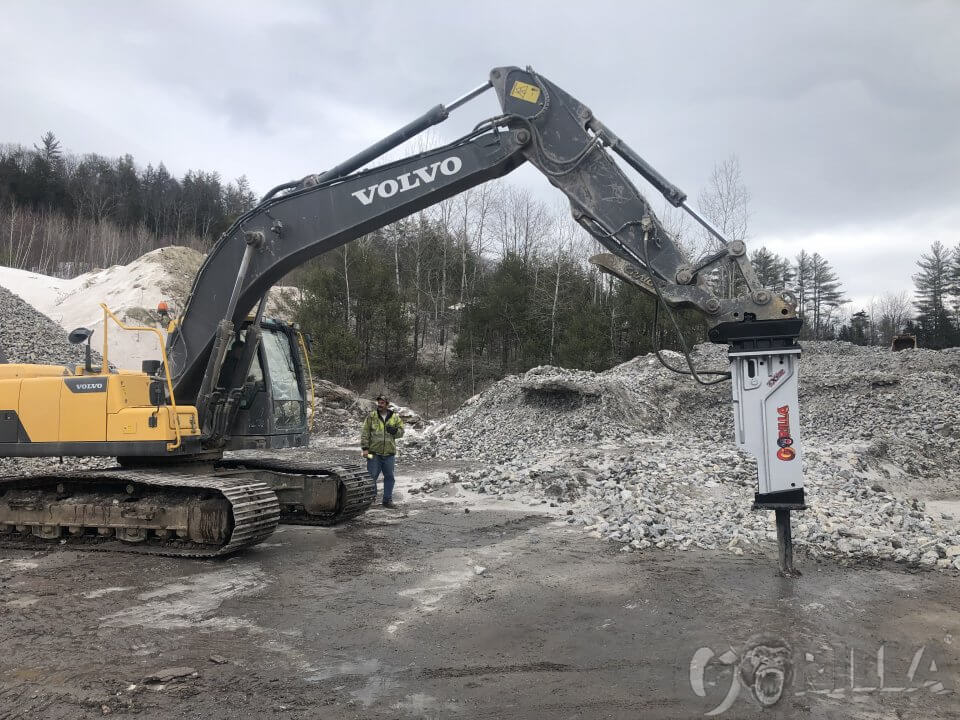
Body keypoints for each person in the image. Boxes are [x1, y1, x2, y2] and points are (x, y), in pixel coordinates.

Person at [360, 394, 405, 509]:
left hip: (389, 453)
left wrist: (395, 431)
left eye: (382, 403)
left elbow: (401, 432)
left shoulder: (395, 417)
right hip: (373, 453)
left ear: (387, 404)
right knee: (371, 477)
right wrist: (365, 448)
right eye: (379, 402)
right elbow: (365, 433)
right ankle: (371, 499)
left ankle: (387, 500)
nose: (380, 405)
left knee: (389, 477)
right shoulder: (372, 416)